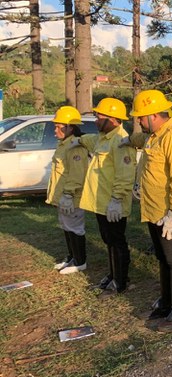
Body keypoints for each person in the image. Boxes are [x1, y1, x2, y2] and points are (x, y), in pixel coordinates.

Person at [131, 89, 172, 332]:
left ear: (154, 115)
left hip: (169, 213)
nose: (138, 121)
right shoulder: (154, 136)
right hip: (154, 209)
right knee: (162, 257)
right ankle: (168, 302)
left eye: (141, 117)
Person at [76, 98, 135, 293]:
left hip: (113, 203)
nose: (95, 120)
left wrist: (117, 199)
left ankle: (121, 280)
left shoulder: (120, 141)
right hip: (102, 203)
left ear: (112, 119)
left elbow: (125, 173)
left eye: (98, 116)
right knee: (108, 240)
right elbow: (88, 140)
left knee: (117, 241)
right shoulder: (103, 138)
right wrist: (76, 137)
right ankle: (113, 274)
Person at [47, 106, 89, 275]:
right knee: (67, 226)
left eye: (59, 126)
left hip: (72, 197)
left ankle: (80, 261)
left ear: (70, 128)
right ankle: (72, 257)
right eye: (55, 126)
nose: (55, 129)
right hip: (64, 196)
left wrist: (68, 194)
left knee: (75, 228)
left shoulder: (75, 146)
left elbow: (77, 174)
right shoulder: (64, 144)